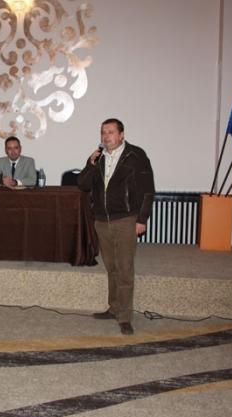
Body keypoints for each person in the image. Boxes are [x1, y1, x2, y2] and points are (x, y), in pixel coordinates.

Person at [77, 118, 155, 335]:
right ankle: (114, 308)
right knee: (111, 268)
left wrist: (142, 219)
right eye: (103, 132)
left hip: (126, 219)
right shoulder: (98, 157)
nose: (106, 136)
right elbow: (82, 184)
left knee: (124, 269)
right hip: (102, 221)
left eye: (111, 132)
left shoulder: (136, 156)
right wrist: (90, 164)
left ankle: (125, 316)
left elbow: (148, 190)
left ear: (121, 135)